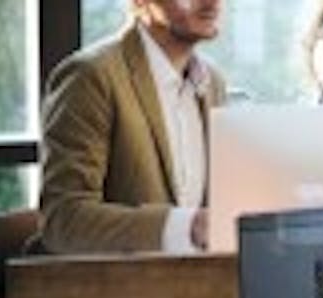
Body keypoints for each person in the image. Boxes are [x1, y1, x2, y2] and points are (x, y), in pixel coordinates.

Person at [36, 0, 228, 254]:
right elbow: (64, 219)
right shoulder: (90, 76)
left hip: (198, 285)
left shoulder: (213, 81)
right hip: (115, 288)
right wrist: (188, 226)